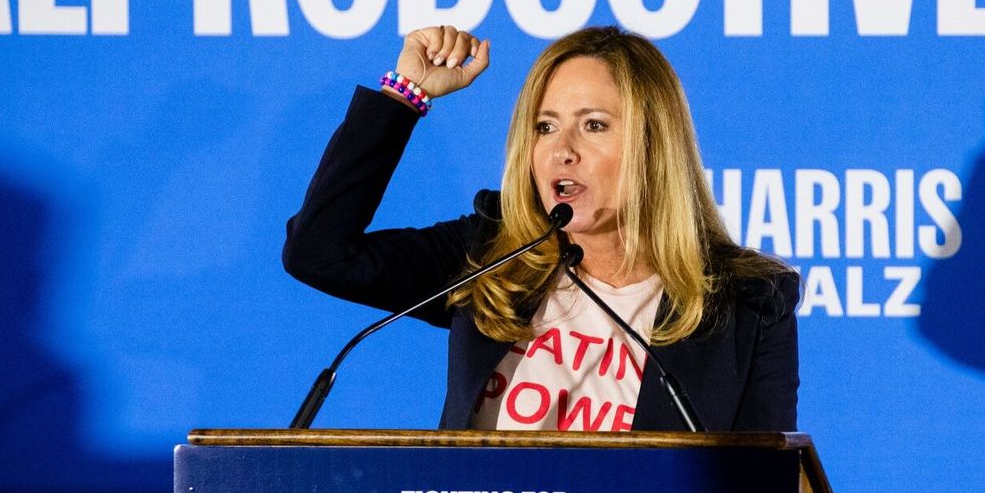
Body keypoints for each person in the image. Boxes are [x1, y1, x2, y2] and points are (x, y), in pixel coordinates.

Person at [284, 25, 799, 432]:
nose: (561, 149)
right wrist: (406, 94)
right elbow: (319, 252)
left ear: (652, 146)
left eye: (594, 125)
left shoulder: (747, 302)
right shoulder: (493, 256)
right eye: (545, 127)